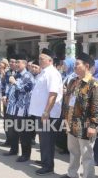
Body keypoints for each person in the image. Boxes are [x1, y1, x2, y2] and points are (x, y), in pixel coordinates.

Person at [61, 53, 98, 178]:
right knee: (73, 152)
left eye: (77, 64)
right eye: (74, 65)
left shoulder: (94, 84)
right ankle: (72, 174)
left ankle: (88, 176)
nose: (74, 67)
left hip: (85, 125)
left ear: (87, 66)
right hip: (71, 123)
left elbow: (97, 107)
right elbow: (68, 102)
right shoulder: (73, 82)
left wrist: (93, 126)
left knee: (87, 155)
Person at [28, 48, 63, 176]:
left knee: (47, 141)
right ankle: (45, 161)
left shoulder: (52, 73)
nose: (39, 60)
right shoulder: (44, 72)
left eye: (42, 58)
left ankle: (48, 166)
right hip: (41, 113)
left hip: (47, 115)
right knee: (43, 140)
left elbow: (53, 94)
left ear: (50, 60)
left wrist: (46, 112)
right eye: (39, 58)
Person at [3, 54, 35, 163]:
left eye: (18, 62)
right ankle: (13, 149)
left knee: (24, 133)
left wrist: (15, 82)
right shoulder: (15, 74)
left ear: (25, 64)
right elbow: (9, 87)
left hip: (22, 109)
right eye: (15, 62)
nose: (16, 64)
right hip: (12, 107)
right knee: (12, 131)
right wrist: (6, 96)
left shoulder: (28, 76)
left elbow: (26, 89)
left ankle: (26, 154)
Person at [56, 58, 77, 155]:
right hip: (63, 104)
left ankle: (68, 148)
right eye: (63, 64)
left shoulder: (74, 76)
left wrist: (66, 92)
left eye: (65, 65)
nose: (63, 66)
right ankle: (64, 146)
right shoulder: (65, 75)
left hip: (69, 106)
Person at [0, 56, 19, 147]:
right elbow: (3, 85)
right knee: (7, 122)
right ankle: (8, 140)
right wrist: (4, 96)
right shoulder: (7, 73)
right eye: (10, 61)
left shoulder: (21, 74)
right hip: (6, 101)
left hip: (16, 103)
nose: (12, 63)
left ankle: (14, 142)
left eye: (14, 62)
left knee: (15, 123)